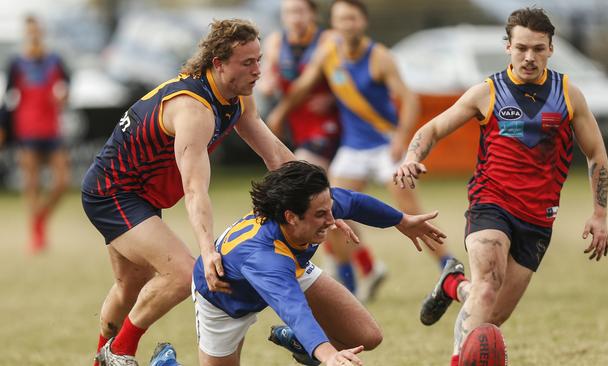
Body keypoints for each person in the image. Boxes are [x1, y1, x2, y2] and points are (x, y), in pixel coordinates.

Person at [393, 8, 608, 366]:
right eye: (521, 47)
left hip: (538, 218)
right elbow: (432, 129)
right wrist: (411, 157)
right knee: (487, 288)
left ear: (551, 49)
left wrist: (599, 214)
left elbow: (596, 154)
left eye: (538, 49)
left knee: (491, 317)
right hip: (490, 204)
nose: (529, 57)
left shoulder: (569, 94)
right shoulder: (488, 92)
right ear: (507, 46)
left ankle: (452, 284)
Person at [82, 19, 295, 366]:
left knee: (129, 286)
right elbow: (195, 190)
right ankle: (119, 352)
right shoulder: (194, 108)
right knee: (183, 274)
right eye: (248, 62)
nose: (258, 70)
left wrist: (326, 202)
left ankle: (101, 360)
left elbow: (275, 154)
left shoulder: (238, 96)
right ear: (219, 64)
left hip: (140, 195)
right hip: (113, 191)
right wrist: (208, 250)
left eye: (259, 60)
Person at [267, 0, 454, 302]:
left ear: (362, 22)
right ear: (335, 24)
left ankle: (449, 267)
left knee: (409, 210)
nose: (346, 25)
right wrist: (280, 111)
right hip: (352, 149)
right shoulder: (329, 53)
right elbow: (303, 85)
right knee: (328, 210)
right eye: (340, 19)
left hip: (385, 145)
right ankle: (349, 285)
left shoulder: (379, 56)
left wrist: (401, 138)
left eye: (351, 19)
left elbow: (410, 101)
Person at [188, 160, 446, 366]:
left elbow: (355, 202)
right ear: (291, 217)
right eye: (321, 215)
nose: (332, 220)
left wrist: (402, 220)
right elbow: (295, 311)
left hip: (291, 267)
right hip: (224, 297)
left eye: (331, 209)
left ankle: (302, 345)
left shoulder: (315, 205)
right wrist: (329, 356)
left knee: (367, 336)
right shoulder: (267, 259)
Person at [0, 15, 70, 253]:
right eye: (29, 31)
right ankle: (36, 235)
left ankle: (41, 217)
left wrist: (63, 97)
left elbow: (67, 88)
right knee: (31, 184)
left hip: (52, 130)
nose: (33, 35)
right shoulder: (16, 63)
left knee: (62, 183)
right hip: (27, 130)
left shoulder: (55, 60)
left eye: (36, 31)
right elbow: (9, 98)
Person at [258, 0, 340, 170]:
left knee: (305, 169)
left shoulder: (329, 39)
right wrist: (267, 84)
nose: (295, 18)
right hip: (293, 121)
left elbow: (307, 84)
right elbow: (264, 77)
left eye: (300, 11)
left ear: (312, 13)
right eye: (288, 13)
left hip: (322, 119)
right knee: (311, 181)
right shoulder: (275, 41)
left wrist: (332, 98)